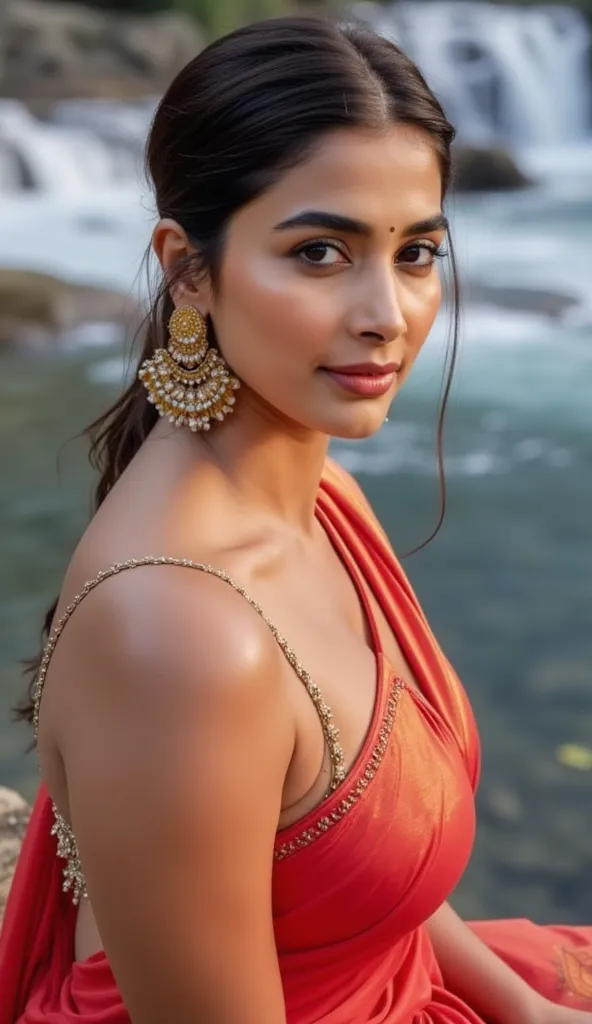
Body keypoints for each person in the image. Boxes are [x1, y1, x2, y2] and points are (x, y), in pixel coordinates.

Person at [0, 14, 591, 1024]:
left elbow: (358, 862)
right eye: (320, 251)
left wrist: (523, 1009)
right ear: (189, 270)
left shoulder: (323, 501)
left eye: (416, 252)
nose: (387, 314)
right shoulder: (180, 636)